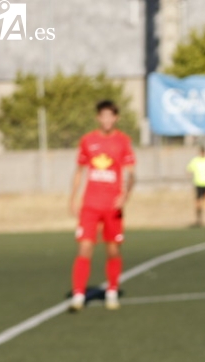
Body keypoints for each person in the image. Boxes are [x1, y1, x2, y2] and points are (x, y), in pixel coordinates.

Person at [68, 99, 136, 312]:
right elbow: (79, 171)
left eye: (111, 116)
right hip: (90, 205)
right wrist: (73, 197)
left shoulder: (123, 141)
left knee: (113, 250)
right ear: (98, 117)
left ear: (116, 118)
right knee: (85, 247)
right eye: (103, 116)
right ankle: (79, 295)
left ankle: (112, 291)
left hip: (112, 207)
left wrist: (125, 194)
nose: (107, 120)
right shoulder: (88, 141)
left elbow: (131, 173)